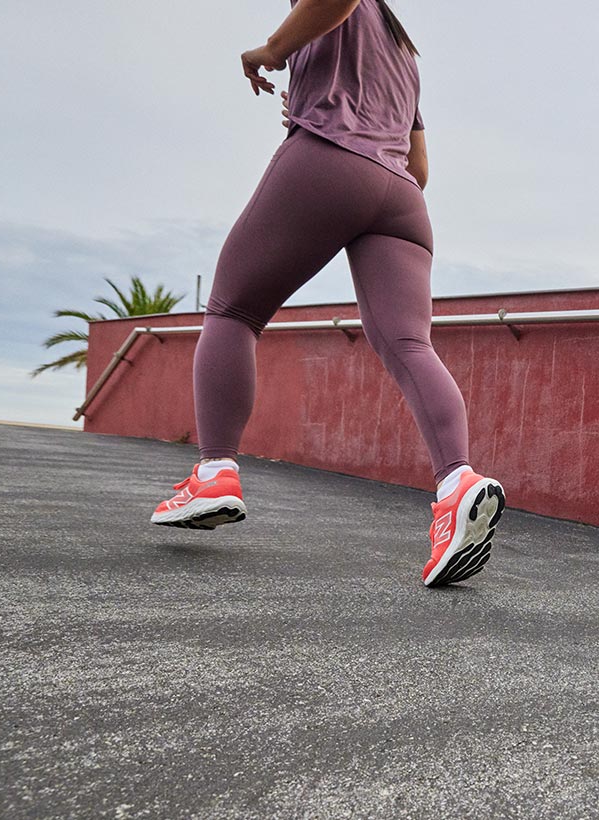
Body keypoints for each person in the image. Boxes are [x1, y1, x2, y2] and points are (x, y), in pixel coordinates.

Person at [150, 0, 504, 588]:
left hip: (329, 158)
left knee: (233, 311)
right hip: (399, 196)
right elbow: (418, 165)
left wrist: (271, 51)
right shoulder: (403, 50)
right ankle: (457, 485)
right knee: (410, 344)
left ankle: (214, 469)